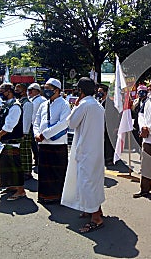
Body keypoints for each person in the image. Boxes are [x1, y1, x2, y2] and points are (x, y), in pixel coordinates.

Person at [62, 77, 105, 233]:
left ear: (80, 90)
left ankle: (96, 218)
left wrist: (75, 106)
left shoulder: (84, 104)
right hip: (95, 150)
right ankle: (94, 209)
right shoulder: (98, 105)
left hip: (86, 150)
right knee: (93, 181)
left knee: (87, 182)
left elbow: (71, 123)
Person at [33, 78, 71, 204]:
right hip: (43, 144)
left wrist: (45, 134)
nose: (46, 91)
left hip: (57, 143)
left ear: (57, 90)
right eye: (45, 88)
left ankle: (57, 196)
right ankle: (45, 196)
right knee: (44, 172)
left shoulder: (64, 104)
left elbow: (64, 123)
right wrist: (37, 133)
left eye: (49, 88)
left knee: (57, 172)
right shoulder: (43, 104)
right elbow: (36, 121)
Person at [0, 83, 26, 200]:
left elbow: (9, 125)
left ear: (9, 91)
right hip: (4, 142)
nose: (0, 92)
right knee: (5, 165)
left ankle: (20, 190)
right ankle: (12, 186)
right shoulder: (7, 104)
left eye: (2, 90)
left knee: (14, 166)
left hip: (12, 141)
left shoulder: (15, 106)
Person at [15, 83, 34, 180]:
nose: (16, 92)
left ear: (23, 91)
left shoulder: (27, 103)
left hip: (24, 132)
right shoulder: (20, 101)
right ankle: (23, 171)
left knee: (25, 152)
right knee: (20, 152)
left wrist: (24, 132)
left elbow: (26, 119)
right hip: (19, 131)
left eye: (17, 90)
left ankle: (27, 172)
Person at [28, 83, 46, 167]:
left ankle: (40, 160)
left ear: (37, 91)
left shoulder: (42, 99)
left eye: (31, 90)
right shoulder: (31, 99)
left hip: (38, 125)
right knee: (33, 145)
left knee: (37, 144)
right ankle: (36, 159)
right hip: (31, 125)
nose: (29, 92)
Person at [97, 84, 114, 166]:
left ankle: (109, 159)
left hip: (109, 126)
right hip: (101, 125)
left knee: (108, 143)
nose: (99, 93)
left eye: (100, 92)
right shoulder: (99, 102)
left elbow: (112, 115)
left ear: (105, 92)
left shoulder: (110, 102)